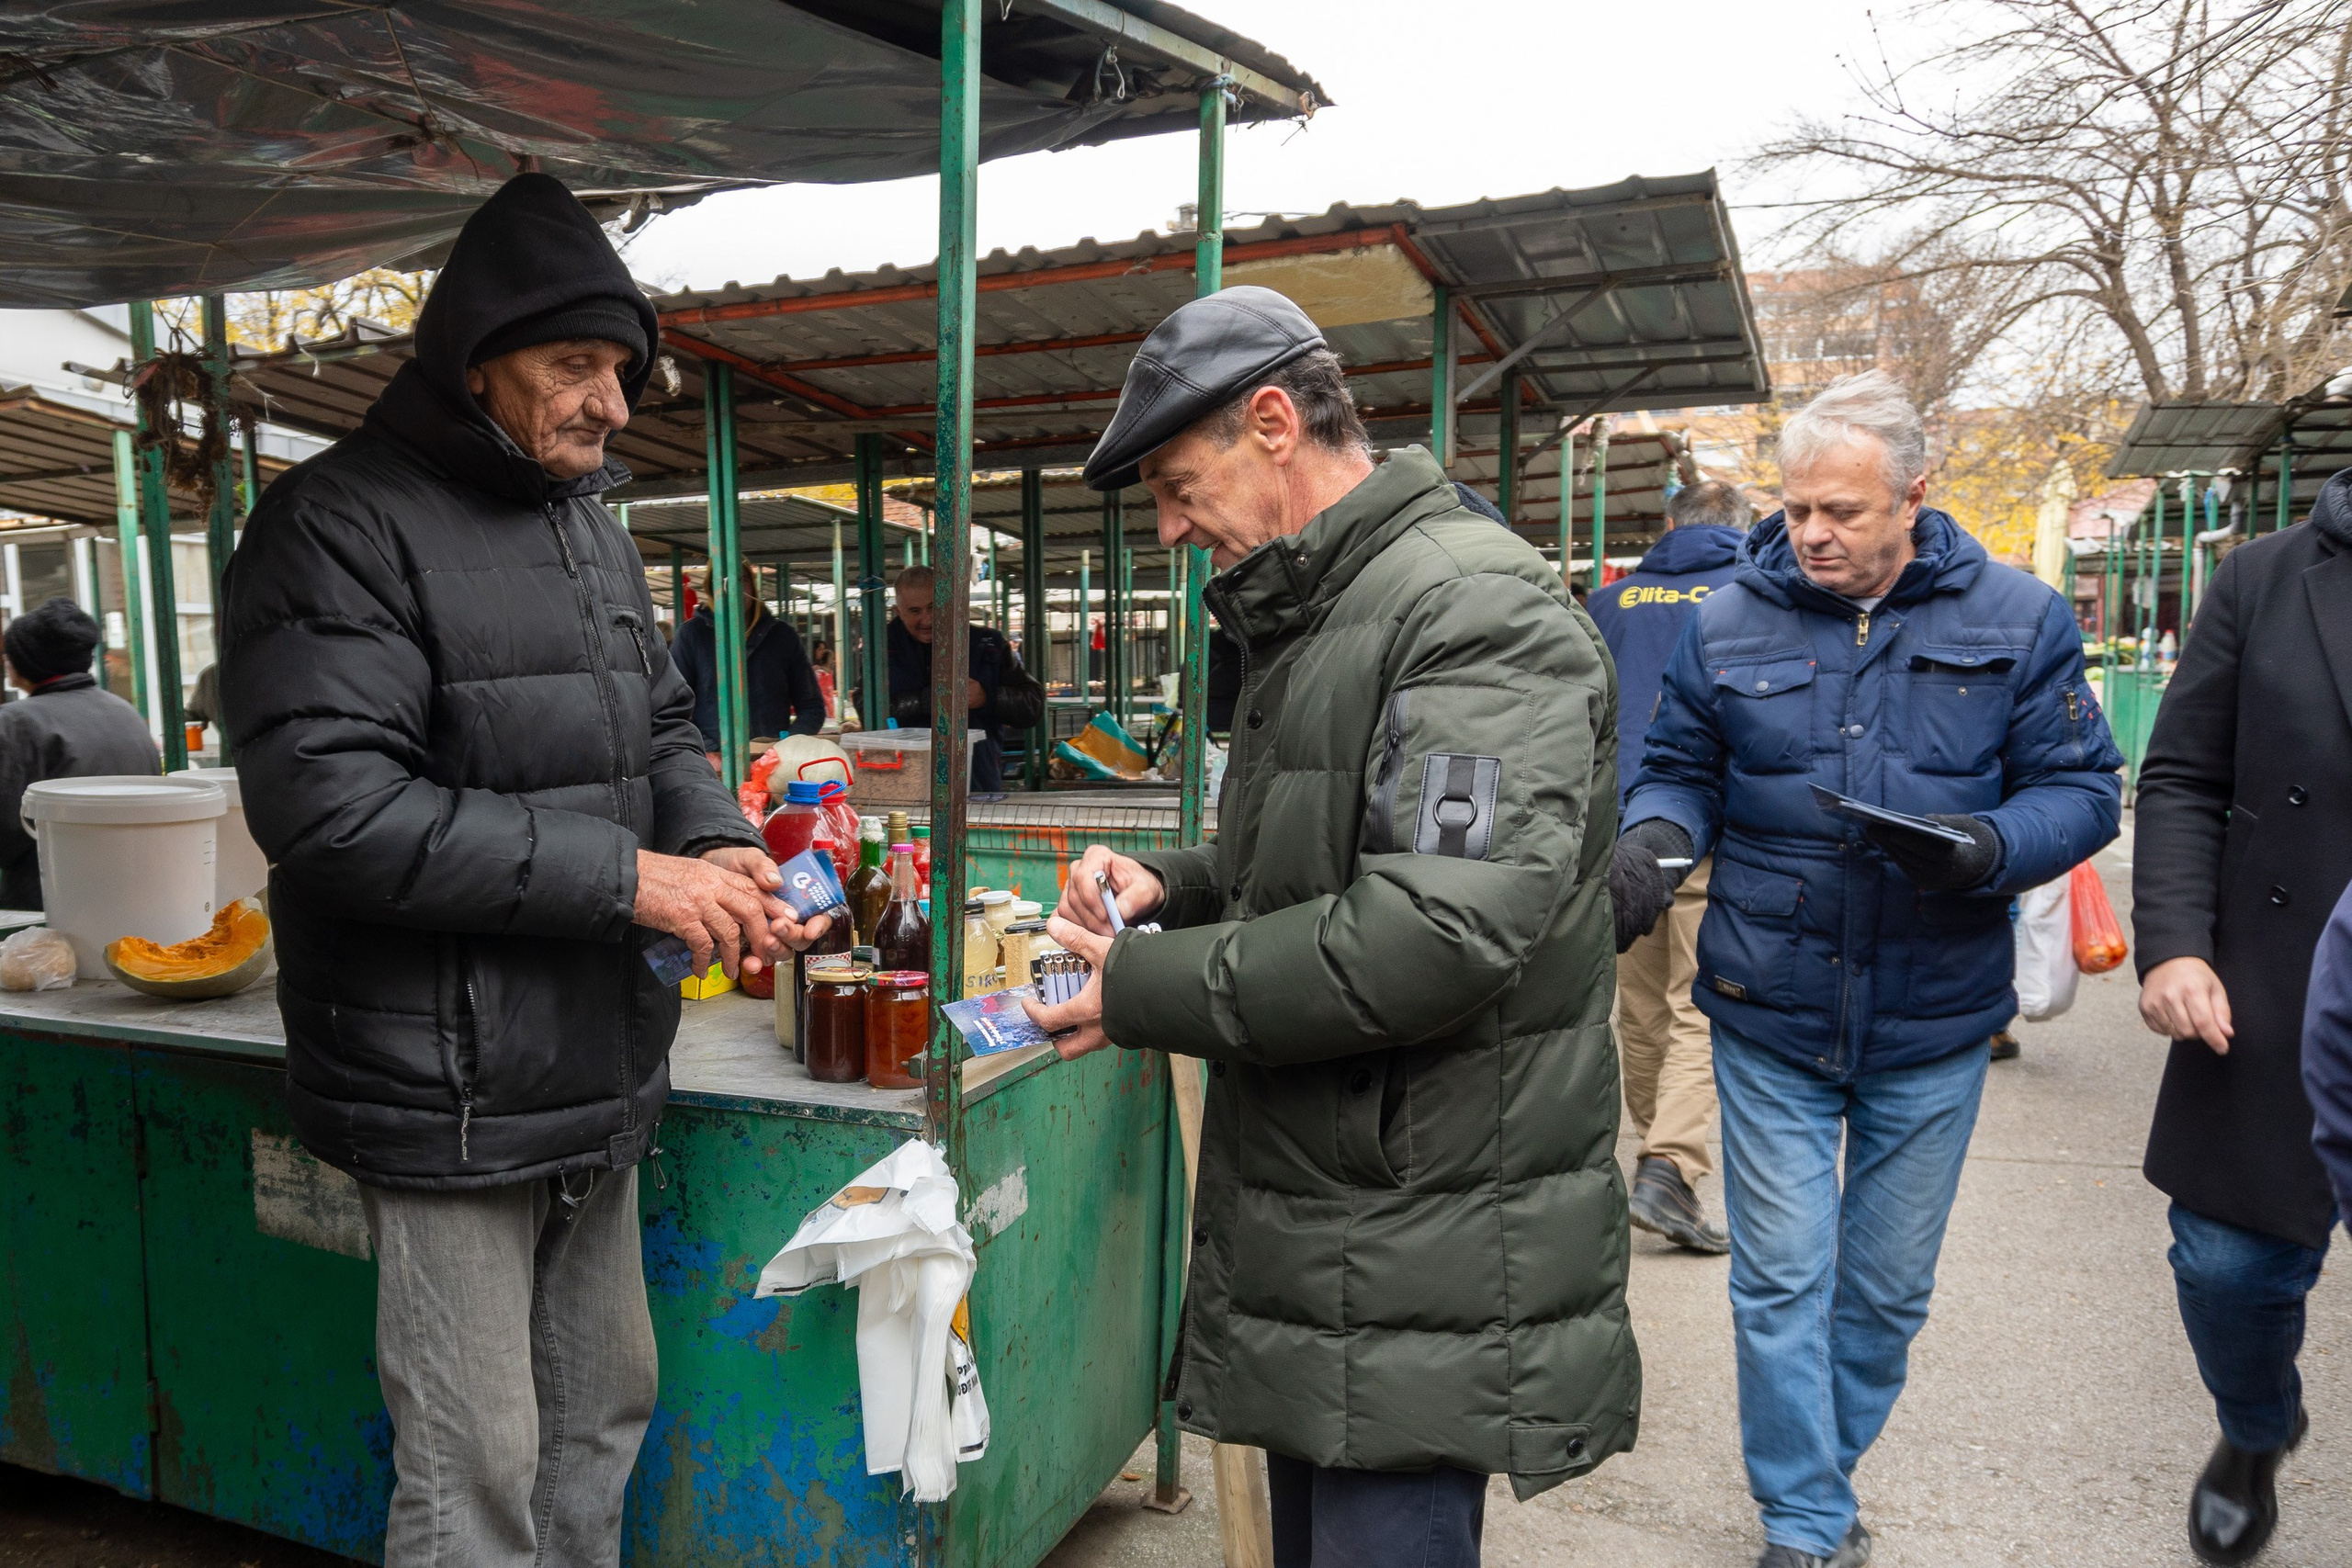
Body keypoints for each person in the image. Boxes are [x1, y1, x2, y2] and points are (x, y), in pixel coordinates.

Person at [218, 174, 830, 1568]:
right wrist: (636, 882)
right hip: (443, 1085)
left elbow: (662, 729)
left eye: (622, 368)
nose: (613, 401)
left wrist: (720, 842)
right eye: (575, 365)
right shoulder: (335, 527)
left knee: (603, 1413)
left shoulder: (592, 531)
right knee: (475, 1464)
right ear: (472, 359)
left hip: (593, 1058)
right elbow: (335, 810)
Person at [1026, 285, 1635, 1566]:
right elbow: (1331, 860)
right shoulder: (1330, 611)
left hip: (1418, 1234)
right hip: (1341, 1223)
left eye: (1181, 486)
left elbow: (1432, 928)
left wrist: (1141, 989)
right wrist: (1177, 882)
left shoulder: (1471, 610)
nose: (1175, 527)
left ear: (1271, 422)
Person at [1620, 371, 2122, 1568]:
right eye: (1797, 509)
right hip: (1767, 1003)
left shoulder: (2020, 617)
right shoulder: (1729, 618)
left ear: (1916, 492)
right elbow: (1677, 765)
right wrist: (1653, 834)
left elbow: (2085, 788)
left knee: (1886, 1292)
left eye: (1841, 510)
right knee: (1782, 1279)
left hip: (1933, 1015)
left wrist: (1997, 844)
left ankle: (1818, 1474)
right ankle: (1804, 1519)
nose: (1812, 534)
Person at [2133, 462, 2352, 1564]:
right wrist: (2175, 943)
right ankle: (2255, 1430)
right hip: (2279, 978)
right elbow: (2177, 774)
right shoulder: (2264, 579)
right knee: (2227, 1265)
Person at [1585, 479, 1750, 1254]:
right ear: (1741, 528)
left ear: (1672, 525)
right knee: (1700, 1002)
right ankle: (1670, 1166)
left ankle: (1660, 1164)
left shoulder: (1609, 602)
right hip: (1707, 829)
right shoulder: (1750, 595)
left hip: (1617, 837)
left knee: (1643, 1007)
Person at [0, 597, 159, 908]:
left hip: (51, 901)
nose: (5, 660)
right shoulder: (123, 711)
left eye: (9, 654)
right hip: (134, 891)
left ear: (30, 661)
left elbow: (6, 829)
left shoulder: (16, 721)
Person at [887, 564, 1036, 792]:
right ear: (898, 611)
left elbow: (1033, 705)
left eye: (933, 607)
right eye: (915, 611)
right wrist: (930, 699)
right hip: (901, 784)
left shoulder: (988, 644)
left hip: (976, 783)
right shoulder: (881, 646)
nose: (926, 620)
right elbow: (866, 706)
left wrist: (987, 698)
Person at [670, 573, 825, 750]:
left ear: (753, 586)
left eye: (741, 580)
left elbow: (812, 707)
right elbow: (672, 711)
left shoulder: (782, 636)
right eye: (722, 581)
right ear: (710, 588)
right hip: (710, 761)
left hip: (773, 759)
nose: (733, 590)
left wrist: (787, 747)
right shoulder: (691, 636)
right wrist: (705, 749)